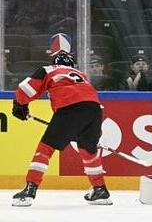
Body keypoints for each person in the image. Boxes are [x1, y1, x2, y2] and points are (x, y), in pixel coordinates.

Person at [11, 33, 112, 207]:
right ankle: (100, 190)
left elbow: (25, 89)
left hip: (70, 109)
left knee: (45, 149)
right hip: (95, 110)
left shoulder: (49, 70)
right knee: (88, 151)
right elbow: (84, 98)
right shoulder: (81, 74)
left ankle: (30, 189)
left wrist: (19, 106)